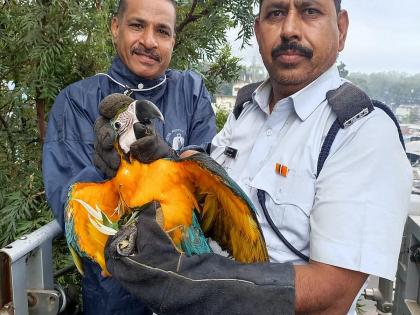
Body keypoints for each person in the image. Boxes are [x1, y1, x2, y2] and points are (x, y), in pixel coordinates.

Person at [104, 0, 413, 314]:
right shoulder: (246, 111)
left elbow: (331, 294)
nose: (290, 29)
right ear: (257, 30)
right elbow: (212, 202)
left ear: (341, 29)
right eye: (276, 13)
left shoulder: (362, 133)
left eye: (310, 11)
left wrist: (186, 279)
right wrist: (167, 164)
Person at [42, 0, 216, 314]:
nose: (149, 41)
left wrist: (169, 165)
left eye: (162, 31)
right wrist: (105, 171)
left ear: (173, 41)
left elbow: (207, 193)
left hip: (187, 292)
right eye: (137, 25)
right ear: (115, 27)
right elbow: (73, 210)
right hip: (113, 297)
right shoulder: (76, 102)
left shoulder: (192, 92)